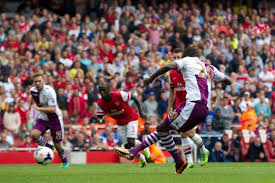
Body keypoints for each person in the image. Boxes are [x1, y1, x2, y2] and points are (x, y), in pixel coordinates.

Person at [114, 47, 231, 174]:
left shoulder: (187, 61)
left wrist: (151, 78)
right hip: (203, 109)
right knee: (164, 128)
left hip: (192, 105)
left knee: (163, 128)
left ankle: (133, 152)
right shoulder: (209, 67)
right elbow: (228, 80)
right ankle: (180, 162)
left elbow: (168, 66)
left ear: (186, 55)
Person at [167, 48, 209, 168]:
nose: (176, 60)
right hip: (179, 105)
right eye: (174, 58)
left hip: (191, 104)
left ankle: (203, 150)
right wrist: (170, 107)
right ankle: (190, 161)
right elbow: (172, 91)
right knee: (183, 133)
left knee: (189, 131)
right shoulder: (172, 73)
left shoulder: (189, 70)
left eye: (178, 57)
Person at [96, 82, 150, 167]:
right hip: (120, 123)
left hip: (131, 118)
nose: (102, 92)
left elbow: (134, 97)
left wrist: (140, 111)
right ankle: (142, 157)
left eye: (104, 90)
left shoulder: (119, 95)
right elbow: (99, 117)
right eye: (100, 91)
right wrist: (101, 121)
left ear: (109, 89)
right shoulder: (99, 103)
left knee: (131, 142)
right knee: (127, 147)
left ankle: (145, 147)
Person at [30, 72, 69, 168]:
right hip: (43, 118)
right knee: (34, 134)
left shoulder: (49, 91)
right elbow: (35, 101)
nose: (38, 83)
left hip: (55, 119)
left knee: (57, 143)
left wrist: (39, 109)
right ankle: (48, 147)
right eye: (36, 82)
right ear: (33, 83)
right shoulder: (33, 90)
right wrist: (32, 111)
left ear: (44, 81)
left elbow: (53, 109)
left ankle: (64, 160)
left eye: (40, 81)